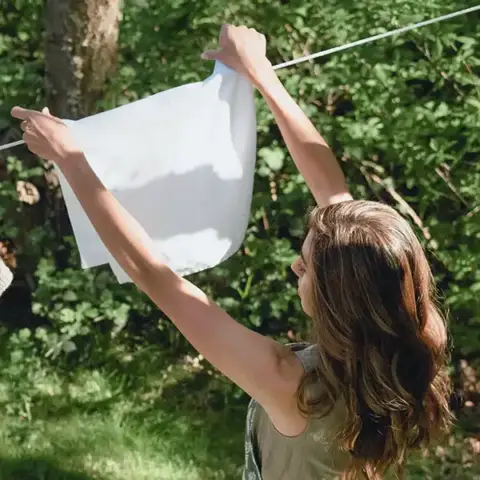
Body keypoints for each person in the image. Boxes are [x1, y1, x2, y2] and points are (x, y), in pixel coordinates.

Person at [12, 24, 452, 480]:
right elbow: (333, 194)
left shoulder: (292, 387)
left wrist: (72, 159)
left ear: (342, 299)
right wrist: (261, 73)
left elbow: (154, 274)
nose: (294, 265)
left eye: (307, 267)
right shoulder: (415, 336)